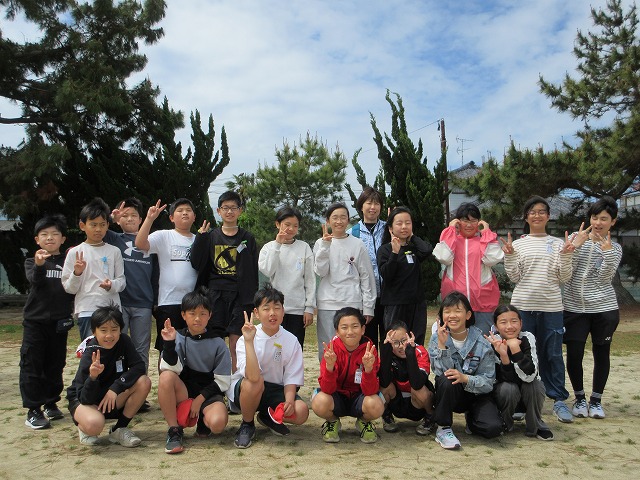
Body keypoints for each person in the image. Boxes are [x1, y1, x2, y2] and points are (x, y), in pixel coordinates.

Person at [502, 195, 576, 423]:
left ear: (548, 216)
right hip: (523, 308)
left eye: (542, 211)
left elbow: (564, 277)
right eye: (532, 212)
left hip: (551, 308)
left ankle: (558, 399)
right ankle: (522, 401)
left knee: (552, 354)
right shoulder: (518, 244)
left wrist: (566, 255)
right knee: (521, 353)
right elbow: (514, 277)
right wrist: (509, 256)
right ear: (526, 217)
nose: (537, 215)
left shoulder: (558, 243)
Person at [227, 283, 309, 449]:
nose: (272, 313)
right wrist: (249, 341)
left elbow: (291, 377)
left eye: (277, 308)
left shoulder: (291, 340)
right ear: (256, 313)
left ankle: (267, 416)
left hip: (275, 389)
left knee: (301, 411)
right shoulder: (245, 338)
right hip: (248, 389)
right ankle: (247, 424)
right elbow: (252, 376)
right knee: (255, 381)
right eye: (266, 308)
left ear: (283, 311)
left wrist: (289, 401)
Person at [564, 196, 622, 420]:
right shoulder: (576, 239)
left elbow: (605, 278)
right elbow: (566, 272)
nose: (598, 223)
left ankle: (596, 401)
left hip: (603, 309)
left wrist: (607, 253)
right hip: (574, 309)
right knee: (574, 353)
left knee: (602, 352)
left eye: (604, 219)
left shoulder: (614, 248)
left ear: (613, 221)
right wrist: (575, 247)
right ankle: (579, 398)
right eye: (595, 217)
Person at [191, 190, 258, 372]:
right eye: (225, 208)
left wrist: (252, 299)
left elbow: (253, 270)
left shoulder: (247, 238)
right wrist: (200, 238)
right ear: (218, 211)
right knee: (215, 343)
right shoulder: (210, 236)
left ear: (240, 210)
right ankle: (215, 382)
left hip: (240, 296)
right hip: (214, 295)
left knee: (237, 343)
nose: (229, 211)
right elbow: (196, 263)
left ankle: (235, 383)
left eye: (234, 208)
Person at [157, 288, 231, 454]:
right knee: (166, 377)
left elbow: (223, 381)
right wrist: (168, 344)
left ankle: (203, 420)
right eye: (192, 313)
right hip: (183, 392)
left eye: (203, 314)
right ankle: (174, 430)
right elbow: (169, 369)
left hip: (208, 394)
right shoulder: (176, 337)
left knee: (218, 424)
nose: (197, 318)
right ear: (183, 315)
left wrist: (199, 400)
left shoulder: (218, 343)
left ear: (210, 315)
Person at [66, 304, 151, 447]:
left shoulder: (124, 341)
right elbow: (84, 398)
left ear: (120, 330)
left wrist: (115, 388)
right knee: (94, 425)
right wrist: (93, 377)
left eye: (114, 329)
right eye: (103, 330)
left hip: (111, 396)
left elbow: (139, 367)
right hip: (87, 400)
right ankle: (84, 427)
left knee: (144, 381)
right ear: (94, 331)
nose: (109, 335)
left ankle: (119, 429)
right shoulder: (90, 352)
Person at [427, 291, 503, 450]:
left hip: (476, 395)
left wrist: (466, 378)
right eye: (447, 311)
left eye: (457, 311)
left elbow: (488, 382)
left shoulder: (482, 342)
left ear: (468, 315)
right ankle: (443, 428)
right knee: (447, 379)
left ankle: (472, 419)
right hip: (451, 392)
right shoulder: (436, 338)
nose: (452, 316)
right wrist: (442, 346)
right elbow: (440, 373)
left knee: (492, 428)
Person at [21, 214, 75, 429]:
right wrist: (39, 264)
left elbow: (74, 286)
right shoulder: (31, 261)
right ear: (37, 239)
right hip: (35, 322)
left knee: (56, 363)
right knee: (32, 365)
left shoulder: (68, 262)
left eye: (54, 234)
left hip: (60, 322)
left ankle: (51, 402)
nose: (50, 238)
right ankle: (33, 410)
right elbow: (35, 281)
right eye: (44, 234)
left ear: (63, 239)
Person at [135, 198, 198, 364]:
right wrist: (149, 219)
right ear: (171, 217)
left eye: (188, 210)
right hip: (168, 302)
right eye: (180, 210)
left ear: (194, 217)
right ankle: (165, 379)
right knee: (167, 347)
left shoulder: (199, 240)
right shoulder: (164, 236)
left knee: (190, 347)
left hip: (193, 304)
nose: (184, 213)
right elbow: (140, 243)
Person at [311, 307, 385, 444]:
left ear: (363, 329)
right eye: (344, 327)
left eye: (355, 326)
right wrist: (330, 367)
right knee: (320, 401)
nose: (350, 332)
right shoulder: (331, 350)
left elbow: (370, 391)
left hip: (359, 397)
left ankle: (364, 422)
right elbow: (327, 389)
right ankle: (333, 421)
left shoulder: (369, 350)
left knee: (376, 404)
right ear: (337, 331)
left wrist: (368, 369)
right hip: (337, 397)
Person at [313, 202, 376, 360]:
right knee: (328, 349)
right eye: (335, 218)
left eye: (343, 217)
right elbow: (320, 271)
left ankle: (352, 377)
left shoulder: (357, 244)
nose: (339, 221)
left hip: (352, 302)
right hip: (328, 303)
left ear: (348, 220)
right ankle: (328, 377)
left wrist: (368, 307)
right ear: (328, 221)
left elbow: (366, 276)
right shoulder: (320, 243)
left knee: (352, 348)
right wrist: (325, 246)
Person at [433, 202, 503, 335]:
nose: (469, 225)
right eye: (465, 220)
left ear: (479, 222)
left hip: (483, 304)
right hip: (455, 305)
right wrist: (451, 230)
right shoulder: (452, 240)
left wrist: (486, 233)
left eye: (473, 220)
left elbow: (492, 259)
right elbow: (444, 257)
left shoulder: (483, 241)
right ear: (458, 222)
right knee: (455, 342)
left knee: (483, 342)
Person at [486, 305, 554, 440]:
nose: (509, 326)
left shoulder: (528, 338)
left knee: (535, 385)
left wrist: (515, 349)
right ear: (496, 326)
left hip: (528, 394)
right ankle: (505, 422)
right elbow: (502, 378)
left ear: (521, 323)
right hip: (505, 395)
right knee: (508, 388)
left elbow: (530, 375)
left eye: (514, 321)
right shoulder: (492, 342)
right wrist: (504, 356)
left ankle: (536, 425)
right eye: (503, 322)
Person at [62, 198, 126, 341]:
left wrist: (111, 285)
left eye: (102, 225)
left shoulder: (114, 251)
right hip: (86, 309)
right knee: (91, 349)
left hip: (111, 309)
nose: (98, 229)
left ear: (107, 225)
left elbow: (122, 281)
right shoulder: (75, 253)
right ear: (82, 225)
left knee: (112, 349)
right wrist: (77, 273)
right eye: (93, 224)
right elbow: (69, 288)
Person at [105, 198, 156, 373]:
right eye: (125, 216)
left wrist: (155, 301)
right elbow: (98, 228)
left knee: (141, 348)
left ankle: (140, 382)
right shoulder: (114, 238)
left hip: (143, 303)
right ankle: (118, 383)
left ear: (141, 219)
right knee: (117, 346)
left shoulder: (151, 242)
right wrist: (111, 218)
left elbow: (156, 275)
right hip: (119, 302)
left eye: (134, 215)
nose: (129, 219)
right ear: (119, 220)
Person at [258, 206, 315, 348]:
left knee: (295, 348)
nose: (291, 229)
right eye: (287, 224)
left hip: (297, 309)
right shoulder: (268, 247)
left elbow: (310, 280)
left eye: (295, 226)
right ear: (278, 224)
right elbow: (268, 270)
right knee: (274, 348)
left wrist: (309, 308)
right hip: (275, 309)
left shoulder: (304, 247)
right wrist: (277, 245)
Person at [377, 206, 432, 346]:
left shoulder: (413, 248)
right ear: (390, 228)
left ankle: (415, 361)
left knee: (416, 341)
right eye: (399, 223)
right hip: (395, 304)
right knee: (394, 342)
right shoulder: (385, 250)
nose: (404, 227)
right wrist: (394, 254)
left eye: (408, 223)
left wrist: (412, 236)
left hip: (416, 304)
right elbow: (387, 274)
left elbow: (427, 250)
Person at [379, 321, 434, 435]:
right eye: (395, 342)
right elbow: (384, 382)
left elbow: (417, 383)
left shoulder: (420, 351)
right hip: (397, 402)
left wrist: (410, 354)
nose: (400, 346)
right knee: (383, 386)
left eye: (404, 340)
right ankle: (387, 416)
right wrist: (385, 351)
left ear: (410, 337)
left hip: (417, 403)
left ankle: (430, 417)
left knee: (420, 390)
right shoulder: (389, 352)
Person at [347, 186, 386, 347]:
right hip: (364, 298)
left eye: (376, 203)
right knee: (367, 342)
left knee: (388, 340)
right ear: (361, 206)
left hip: (388, 296)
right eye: (369, 203)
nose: (373, 207)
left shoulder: (389, 229)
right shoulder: (352, 233)